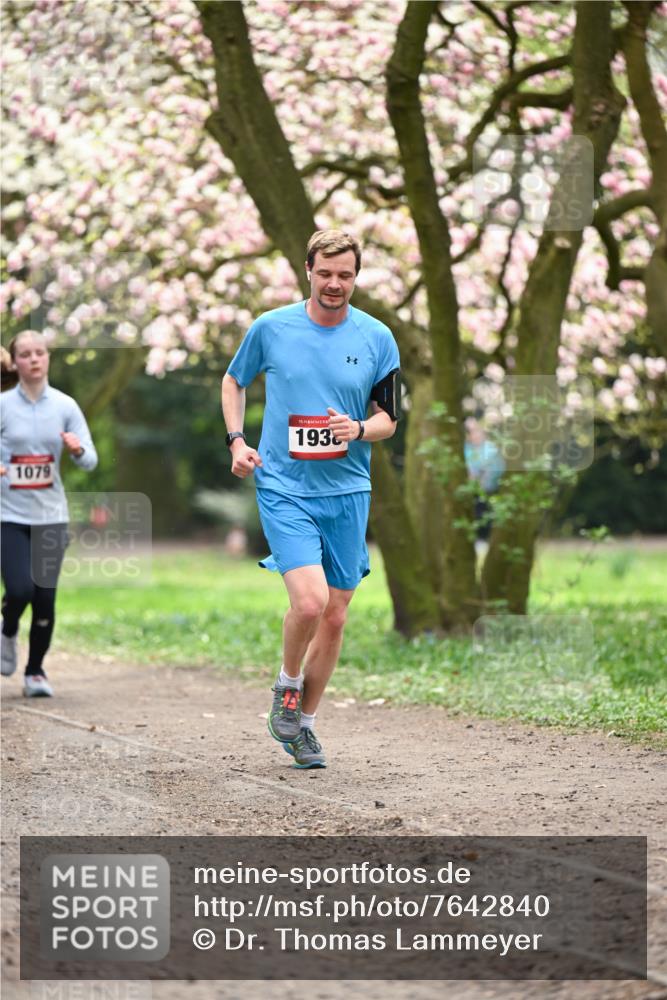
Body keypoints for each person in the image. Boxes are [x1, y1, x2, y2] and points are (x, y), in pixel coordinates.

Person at [221, 230, 400, 769]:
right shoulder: (271, 328)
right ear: (307, 270)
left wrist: (360, 428)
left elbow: (390, 419)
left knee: (337, 616)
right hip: (284, 485)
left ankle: (304, 727)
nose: (335, 284)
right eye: (326, 273)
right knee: (309, 602)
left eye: (345, 274)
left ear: (356, 276)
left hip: (347, 490)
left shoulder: (377, 337)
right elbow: (234, 381)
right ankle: (286, 685)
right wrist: (236, 440)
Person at [1, 331, 98, 696]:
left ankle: (35, 672)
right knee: (20, 589)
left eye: (40, 352)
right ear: (16, 363)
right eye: (25, 354)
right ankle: (7, 630)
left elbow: (90, 459)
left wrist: (76, 450)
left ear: (48, 358)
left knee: (45, 596)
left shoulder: (65, 406)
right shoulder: (3, 406)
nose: (34, 359)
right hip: (8, 515)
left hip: (51, 516)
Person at [464, 417, 505, 552]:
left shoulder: (490, 449)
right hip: (468, 492)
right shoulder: (465, 448)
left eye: (477, 431)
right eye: (471, 432)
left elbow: (497, 469)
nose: (475, 435)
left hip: (486, 491)